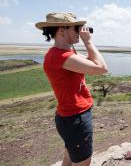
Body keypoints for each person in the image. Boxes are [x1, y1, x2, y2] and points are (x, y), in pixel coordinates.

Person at [35, 12, 108, 166]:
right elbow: (101, 67)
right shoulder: (61, 57)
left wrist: (84, 42)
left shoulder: (62, 54)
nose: (80, 32)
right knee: (81, 162)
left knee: (69, 158)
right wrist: (88, 42)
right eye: (76, 28)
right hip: (76, 118)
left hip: (68, 117)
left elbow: (90, 61)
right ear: (62, 30)